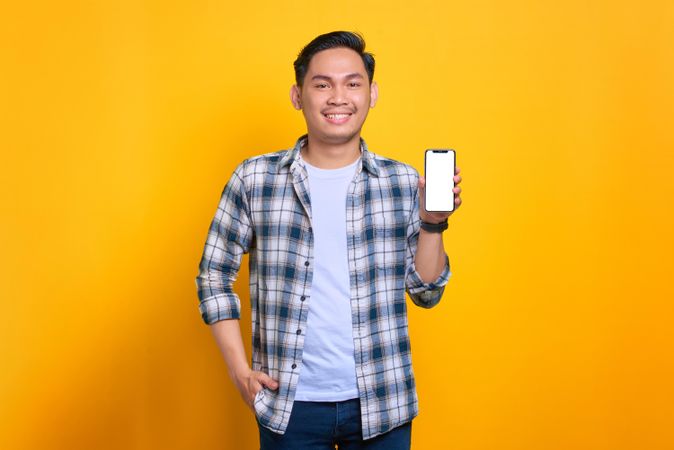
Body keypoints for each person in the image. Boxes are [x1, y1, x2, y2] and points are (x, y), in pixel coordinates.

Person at [195, 30, 463, 450]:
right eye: (322, 84)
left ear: (371, 93)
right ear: (298, 96)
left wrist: (433, 223)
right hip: (288, 403)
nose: (338, 97)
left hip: (382, 402)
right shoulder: (255, 179)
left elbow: (426, 293)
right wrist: (239, 371)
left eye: (352, 83)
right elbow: (213, 275)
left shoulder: (403, 182)